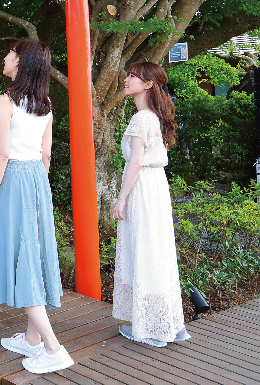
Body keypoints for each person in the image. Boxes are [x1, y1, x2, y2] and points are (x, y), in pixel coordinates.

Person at [0, 39, 73, 374]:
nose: (5, 58)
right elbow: (46, 153)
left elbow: (3, 153)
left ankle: (53, 347)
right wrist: (38, 186)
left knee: (22, 259)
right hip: (38, 179)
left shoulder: (5, 101)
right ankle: (32, 339)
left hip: (16, 179)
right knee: (34, 254)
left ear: (20, 61)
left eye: (9, 54)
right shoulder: (45, 103)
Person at [112, 61, 189, 347]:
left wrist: (121, 197)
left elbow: (135, 162)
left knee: (142, 249)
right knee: (157, 251)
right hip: (156, 186)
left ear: (147, 85)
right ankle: (165, 321)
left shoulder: (141, 118)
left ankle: (149, 326)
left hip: (143, 186)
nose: (126, 79)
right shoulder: (154, 117)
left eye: (133, 76)